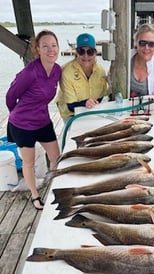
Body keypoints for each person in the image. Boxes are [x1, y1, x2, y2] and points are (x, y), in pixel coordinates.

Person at [6, 30, 61, 211]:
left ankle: (53, 186)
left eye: (54, 45)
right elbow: (10, 96)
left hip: (43, 121)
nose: (50, 50)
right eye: (45, 46)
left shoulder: (57, 70)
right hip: (22, 125)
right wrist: (19, 115)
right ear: (37, 49)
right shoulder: (30, 72)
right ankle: (35, 196)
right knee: (28, 163)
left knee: (56, 158)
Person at [56, 33, 109, 122]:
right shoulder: (66, 72)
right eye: (81, 51)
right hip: (71, 114)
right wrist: (85, 103)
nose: (85, 56)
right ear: (76, 52)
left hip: (91, 110)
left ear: (95, 53)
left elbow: (101, 97)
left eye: (90, 52)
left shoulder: (101, 71)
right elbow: (70, 106)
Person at [131, 23, 154, 97]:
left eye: (151, 44)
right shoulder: (124, 60)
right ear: (136, 43)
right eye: (142, 43)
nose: (147, 48)